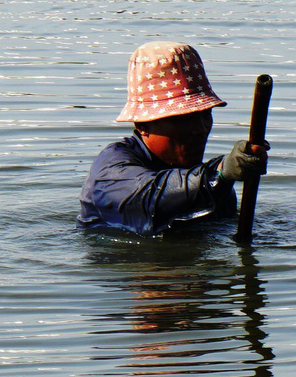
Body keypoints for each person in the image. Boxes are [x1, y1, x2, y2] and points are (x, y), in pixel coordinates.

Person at [80, 42, 268, 236]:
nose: (201, 129)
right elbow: (151, 197)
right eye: (183, 119)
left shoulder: (208, 189)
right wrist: (220, 173)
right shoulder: (110, 172)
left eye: (206, 114)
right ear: (142, 125)